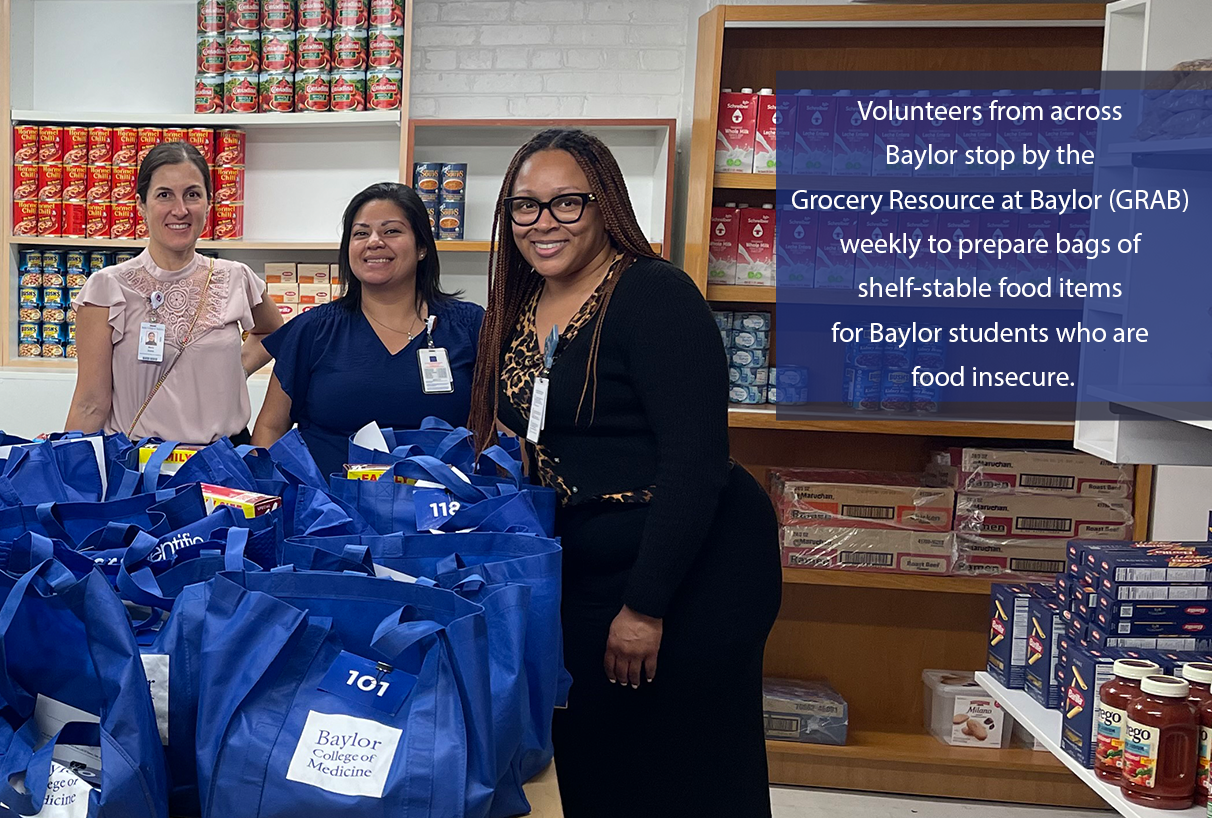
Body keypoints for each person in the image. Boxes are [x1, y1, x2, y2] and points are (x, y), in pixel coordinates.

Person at [466, 129, 780, 816]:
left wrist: (646, 607)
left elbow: (694, 465)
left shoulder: (654, 294)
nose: (542, 223)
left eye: (566, 203)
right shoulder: (524, 304)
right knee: (596, 750)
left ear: (605, 204)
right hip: (592, 554)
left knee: (683, 765)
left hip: (688, 563)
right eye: (525, 206)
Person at [251, 182, 482, 472]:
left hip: (443, 510)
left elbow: (497, 429)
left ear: (422, 246)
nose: (374, 242)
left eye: (391, 231)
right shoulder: (313, 330)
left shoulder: (469, 326)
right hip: (329, 509)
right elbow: (270, 428)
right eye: (361, 233)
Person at [65, 141, 284, 444]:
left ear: (208, 203)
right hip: (141, 470)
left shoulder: (236, 277)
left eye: (192, 195)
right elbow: (90, 404)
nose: (180, 210)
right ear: (141, 204)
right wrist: (70, 474)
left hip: (225, 466)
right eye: (164, 195)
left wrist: (236, 367)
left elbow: (274, 332)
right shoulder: (107, 289)